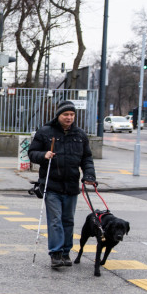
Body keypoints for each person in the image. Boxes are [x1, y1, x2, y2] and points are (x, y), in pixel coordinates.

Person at [28, 100, 96, 268]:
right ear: (58, 115)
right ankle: (56, 253)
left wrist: (89, 175)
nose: (69, 117)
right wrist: (43, 155)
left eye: (72, 114)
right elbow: (32, 153)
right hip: (51, 185)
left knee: (68, 220)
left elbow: (87, 158)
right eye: (66, 114)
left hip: (71, 186)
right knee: (55, 220)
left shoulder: (80, 135)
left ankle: (66, 252)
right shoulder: (45, 132)